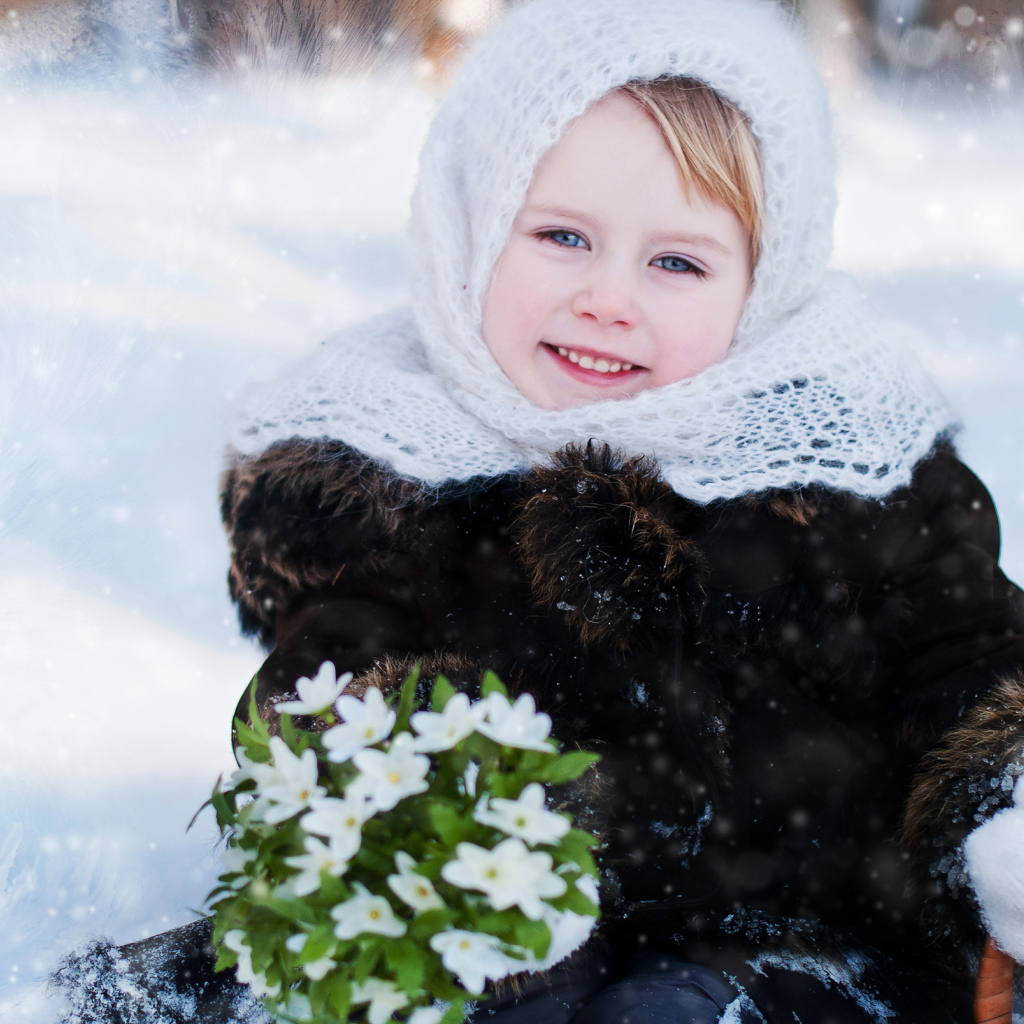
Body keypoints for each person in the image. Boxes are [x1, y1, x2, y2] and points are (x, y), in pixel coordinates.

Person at [53, 0, 1024, 1021]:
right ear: (472, 228)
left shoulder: (848, 462)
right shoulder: (390, 466)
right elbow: (320, 678)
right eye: (563, 236)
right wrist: (432, 790)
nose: (608, 296)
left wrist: (1004, 807)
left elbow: (967, 659)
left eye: (677, 262)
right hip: (509, 927)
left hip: (803, 941)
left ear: (764, 281)